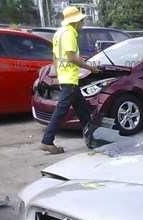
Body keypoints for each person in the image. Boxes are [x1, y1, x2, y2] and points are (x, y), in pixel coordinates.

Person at [39, 6, 100, 154]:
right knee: (62, 109)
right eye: (82, 21)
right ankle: (47, 140)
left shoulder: (59, 33)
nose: (83, 24)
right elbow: (71, 57)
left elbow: (55, 58)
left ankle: (92, 139)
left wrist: (59, 77)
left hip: (66, 78)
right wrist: (90, 68)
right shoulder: (69, 34)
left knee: (83, 110)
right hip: (70, 78)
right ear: (75, 22)